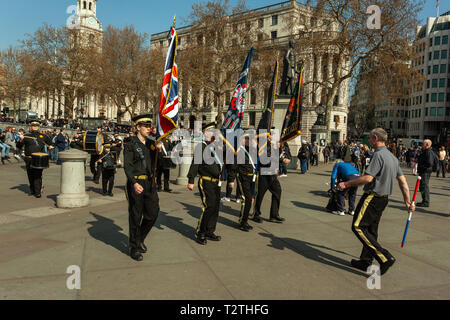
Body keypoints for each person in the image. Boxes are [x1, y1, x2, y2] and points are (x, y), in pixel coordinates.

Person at [338, 128, 414, 275]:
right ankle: (365, 261)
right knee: (371, 231)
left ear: (375, 138)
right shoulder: (392, 157)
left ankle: (384, 257)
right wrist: (407, 202)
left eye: (370, 139)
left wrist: (346, 184)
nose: (369, 141)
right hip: (383, 199)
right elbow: (403, 182)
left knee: (358, 226)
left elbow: (367, 178)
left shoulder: (378, 155)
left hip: (372, 197)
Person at [124, 115, 163, 261]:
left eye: (149, 126)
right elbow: (127, 166)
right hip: (136, 184)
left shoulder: (151, 144)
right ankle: (134, 247)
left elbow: (160, 164)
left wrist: (159, 150)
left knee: (153, 213)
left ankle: (139, 238)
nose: (149, 128)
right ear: (138, 127)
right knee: (135, 215)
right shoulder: (130, 144)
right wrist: (134, 182)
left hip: (149, 184)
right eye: (145, 126)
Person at [187, 122, 227, 245]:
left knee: (215, 208)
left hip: (216, 182)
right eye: (211, 132)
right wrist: (191, 180)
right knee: (208, 207)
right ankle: (200, 232)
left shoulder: (216, 146)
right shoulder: (202, 146)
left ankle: (210, 231)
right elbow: (195, 164)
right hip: (206, 181)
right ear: (205, 134)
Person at [252, 134, 291, 224]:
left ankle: (274, 215)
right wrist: (282, 160)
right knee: (260, 195)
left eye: (270, 136)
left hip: (272, 174)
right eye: (268, 136)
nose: (270, 138)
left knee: (278, 192)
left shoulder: (271, 145)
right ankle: (256, 214)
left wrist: (282, 156)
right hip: (264, 174)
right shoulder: (261, 146)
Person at [17, 120, 55, 198]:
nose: (35, 127)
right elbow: (19, 146)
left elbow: (51, 143)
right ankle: (32, 190)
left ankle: (37, 192)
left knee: (37, 175)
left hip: (39, 159)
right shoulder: (26, 135)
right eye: (33, 126)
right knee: (30, 175)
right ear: (31, 127)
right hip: (29, 158)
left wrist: (51, 146)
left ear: (38, 127)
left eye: (36, 126)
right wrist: (21, 139)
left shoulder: (43, 136)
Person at [228, 134, 257, 231]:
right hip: (242, 177)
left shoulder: (253, 150)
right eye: (249, 140)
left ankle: (244, 220)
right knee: (246, 200)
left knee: (249, 200)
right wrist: (231, 180)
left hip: (251, 177)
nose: (252, 141)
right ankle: (242, 222)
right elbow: (233, 167)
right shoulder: (240, 151)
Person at [417, 139, 434, 208]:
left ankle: (426, 202)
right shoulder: (426, 151)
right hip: (424, 171)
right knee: (422, 185)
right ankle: (424, 200)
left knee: (424, 185)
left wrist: (422, 167)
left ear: (427, 145)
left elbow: (429, 163)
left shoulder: (428, 151)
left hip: (425, 171)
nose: (422, 145)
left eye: (423, 143)